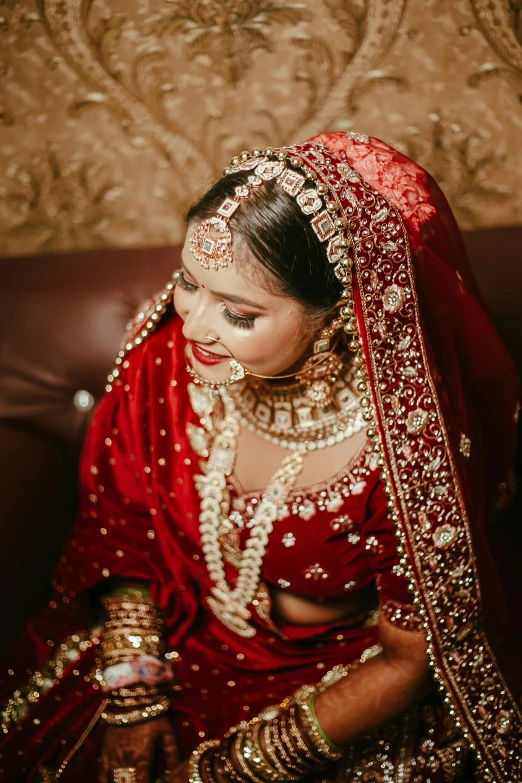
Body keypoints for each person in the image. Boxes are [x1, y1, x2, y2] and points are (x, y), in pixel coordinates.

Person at [0, 132, 520, 783]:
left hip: (341, 677)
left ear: (337, 315)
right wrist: (134, 686)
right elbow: (121, 519)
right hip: (181, 633)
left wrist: (232, 767)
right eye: (190, 282)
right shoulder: (165, 360)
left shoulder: (405, 436)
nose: (193, 325)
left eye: (239, 314)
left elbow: (410, 658)